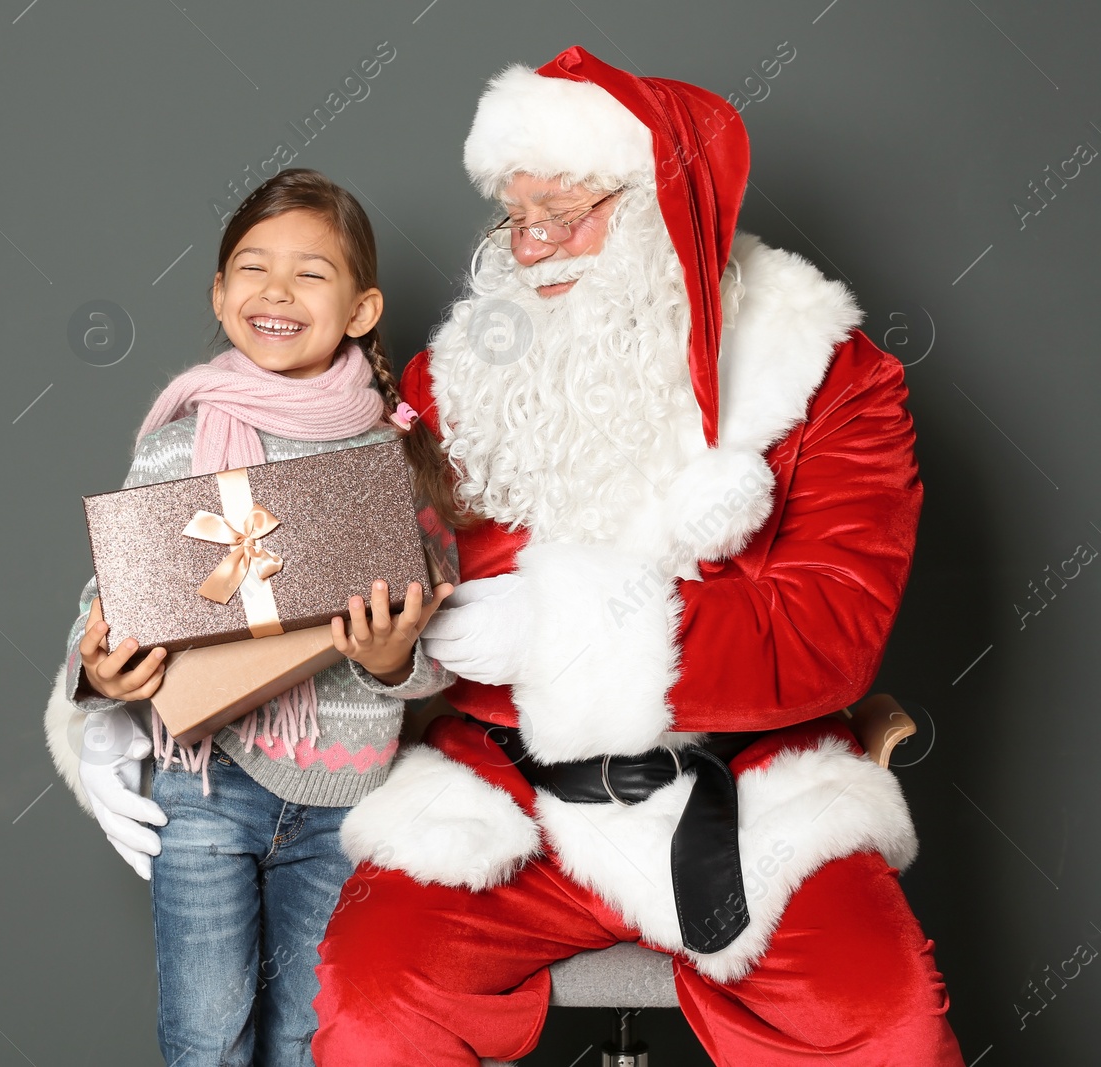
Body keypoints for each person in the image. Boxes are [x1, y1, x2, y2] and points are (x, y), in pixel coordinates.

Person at [309, 47, 966, 1066]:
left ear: (668, 210)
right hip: (506, 793)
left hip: (753, 792)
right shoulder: (451, 384)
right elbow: (349, 567)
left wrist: (563, 635)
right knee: (374, 1003)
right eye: (519, 218)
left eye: (571, 214)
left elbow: (828, 634)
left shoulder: (831, 381)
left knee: (882, 1023)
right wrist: (389, 658)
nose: (537, 248)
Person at [43, 168, 455, 1067]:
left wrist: (392, 663)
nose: (277, 290)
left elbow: (440, 648)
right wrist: (99, 670)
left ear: (360, 308)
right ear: (220, 294)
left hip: (345, 794)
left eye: (311, 272)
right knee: (206, 1033)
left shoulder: (394, 451)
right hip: (203, 781)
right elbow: (114, 592)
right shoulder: (179, 443)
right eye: (252, 268)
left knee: (308, 1035)